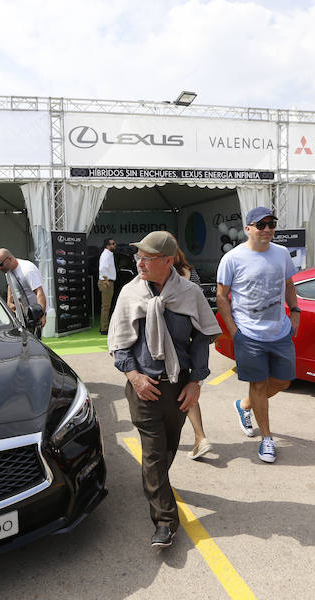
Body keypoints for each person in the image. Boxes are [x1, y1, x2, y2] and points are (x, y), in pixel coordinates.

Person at [108, 231, 221, 548]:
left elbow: (200, 339)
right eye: (138, 257)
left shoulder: (190, 293)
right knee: (155, 454)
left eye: (146, 257)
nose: (139, 262)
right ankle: (165, 522)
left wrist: (196, 381)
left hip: (178, 387)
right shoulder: (130, 294)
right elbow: (119, 345)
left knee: (167, 450)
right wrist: (135, 377)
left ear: (167, 261)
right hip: (143, 386)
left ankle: (153, 484)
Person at [215, 207, 300, 464]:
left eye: (271, 224)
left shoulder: (282, 253)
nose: (267, 229)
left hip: (280, 331)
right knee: (259, 385)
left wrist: (295, 311)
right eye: (261, 225)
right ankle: (267, 438)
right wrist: (234, 332)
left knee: (284, 380)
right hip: (249, 333)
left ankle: (244, 406)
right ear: (248, 228)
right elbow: (222, 296)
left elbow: (288, 284)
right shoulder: (232, 258)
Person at [171, 242, 210, 460]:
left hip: (176, 346)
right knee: (190, 393)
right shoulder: (191, 273)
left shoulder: (166, 278)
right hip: (194, 342)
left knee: (181, 395)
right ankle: (200, 437)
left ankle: (199, 437)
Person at [0, 248, 47, 336]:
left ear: (9, 259)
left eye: (0, 264)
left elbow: (39, 292)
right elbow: (10, 284)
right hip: (23, 314)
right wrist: (9, 301)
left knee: (34, 341)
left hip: (35, 313)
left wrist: (41, 315)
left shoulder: (27, 270)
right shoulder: (8, 271)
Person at [98, 238, 117, 335]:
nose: (115, 245)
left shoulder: (108, 254)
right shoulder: (107, 255)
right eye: (113, 244)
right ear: (107, 245)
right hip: (106, 281)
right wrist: (106, 280)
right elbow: (102, 268)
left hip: (106, 281)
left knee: (106, 306)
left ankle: (104, 326)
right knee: (106, 306)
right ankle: (104, 328)